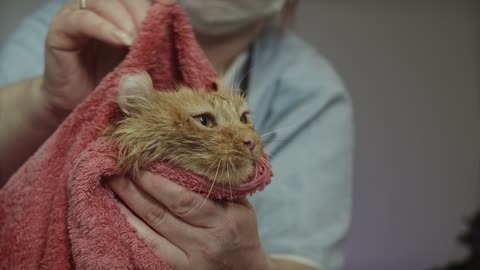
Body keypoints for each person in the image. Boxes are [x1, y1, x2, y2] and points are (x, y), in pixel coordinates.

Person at [0, 0, 353, 269]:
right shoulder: (85, 17)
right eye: (207, 120)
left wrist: (249, 263)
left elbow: (301, 257)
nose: (249, 138)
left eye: (246, 118)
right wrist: (46, 98)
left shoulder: (308, 86)